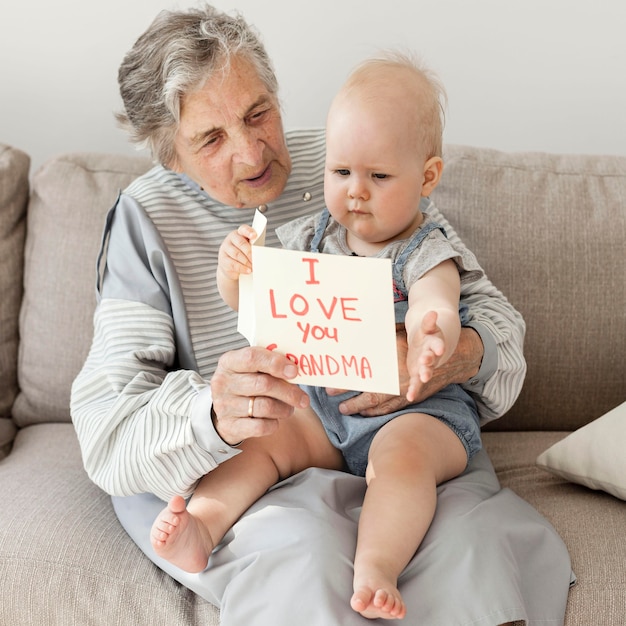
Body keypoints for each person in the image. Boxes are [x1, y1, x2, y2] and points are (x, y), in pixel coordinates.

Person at [70, 4, 573, 625]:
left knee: (465, 549)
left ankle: (385, 567)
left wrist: (444, 351)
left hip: (404, 433)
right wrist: (215, 414)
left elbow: (479, 313)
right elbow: (107, 424)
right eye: (211, 138)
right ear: (170, 157)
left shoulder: (356, 158)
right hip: (281, 439)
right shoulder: (142, 219)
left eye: (259, 113)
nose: (253, 151)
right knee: (299, 552)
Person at [152, 53, 485, 620]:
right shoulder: (311, 234)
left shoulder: (424, 246)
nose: (356, 192)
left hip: (415, 413)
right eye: (340, 173)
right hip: (328, 411)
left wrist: (434, 333)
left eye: (379, 177)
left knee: (400, 464)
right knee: (265, 439)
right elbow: (259, 306)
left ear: (427, 177)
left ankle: (377, 566)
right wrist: (235, 273)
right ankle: (202, 528)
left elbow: (438, 300)